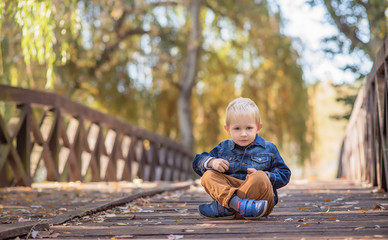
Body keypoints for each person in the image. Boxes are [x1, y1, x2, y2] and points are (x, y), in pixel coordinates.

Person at [192, 97, 291, 219]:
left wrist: (267, 175)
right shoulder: (223, 148)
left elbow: (285, 174)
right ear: (227, 129)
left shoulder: (269, 149)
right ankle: (237, 206)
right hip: (234, 195)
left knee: (259, 177)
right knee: (207, 175)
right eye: (237, 128)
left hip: (260, 202)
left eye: (249, 128)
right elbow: (197, 162)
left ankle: (227, 207)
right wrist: (212, 162)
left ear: (258, 128)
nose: (243, 134)